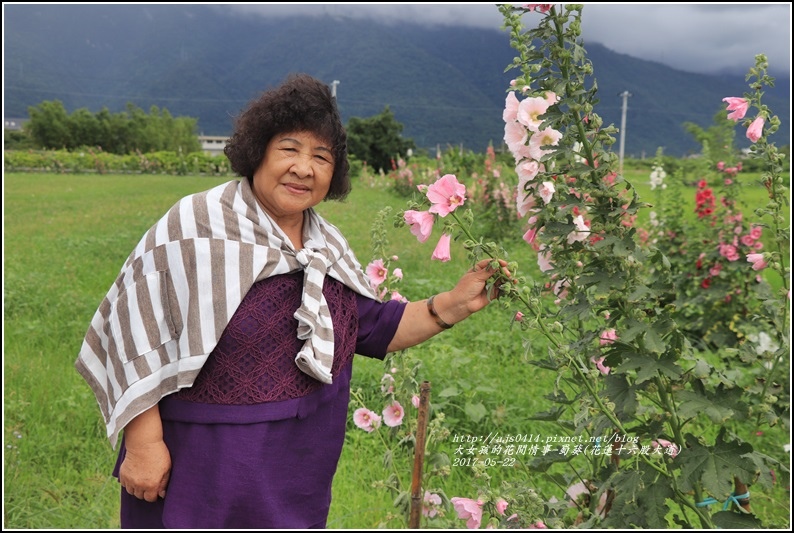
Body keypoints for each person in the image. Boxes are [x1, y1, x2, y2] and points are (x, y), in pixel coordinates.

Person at [75, 73, 506, 529]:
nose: (305, 168)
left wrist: (454, 304)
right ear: (257, 150)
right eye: (289, 149)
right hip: (200, 471)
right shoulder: (193, 226)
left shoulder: (325, 247)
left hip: (298, 472)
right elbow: (134, 329)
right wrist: (143, 444)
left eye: (321, 156)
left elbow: (374, 326)